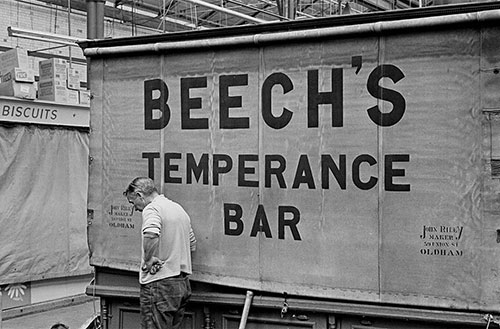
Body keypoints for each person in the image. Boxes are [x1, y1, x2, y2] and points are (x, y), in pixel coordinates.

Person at [123, 177, 196, 329]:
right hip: (181, 284)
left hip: (160, 284)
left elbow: (151, 233)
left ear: (139, 195)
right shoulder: (178, 209)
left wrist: (148, 260)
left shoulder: (152, 208)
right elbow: (192, 244)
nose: (135, 208)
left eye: (132, 202)